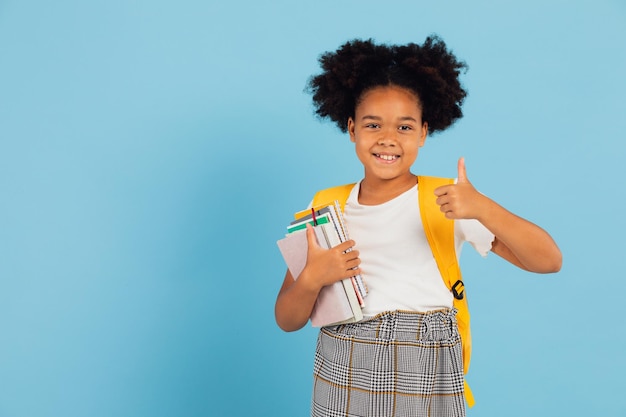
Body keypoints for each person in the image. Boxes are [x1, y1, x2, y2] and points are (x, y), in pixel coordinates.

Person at [274, 35, 562, 417]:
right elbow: (286, 319)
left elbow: (548, 260)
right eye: (372, 124)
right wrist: (313, 278)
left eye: (405, 128)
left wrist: (483, 208)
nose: (388, 139)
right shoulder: (325, 206)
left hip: (426, 360)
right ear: (351, 129)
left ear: (425, 132)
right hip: (343, 358)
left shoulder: (445, 201)